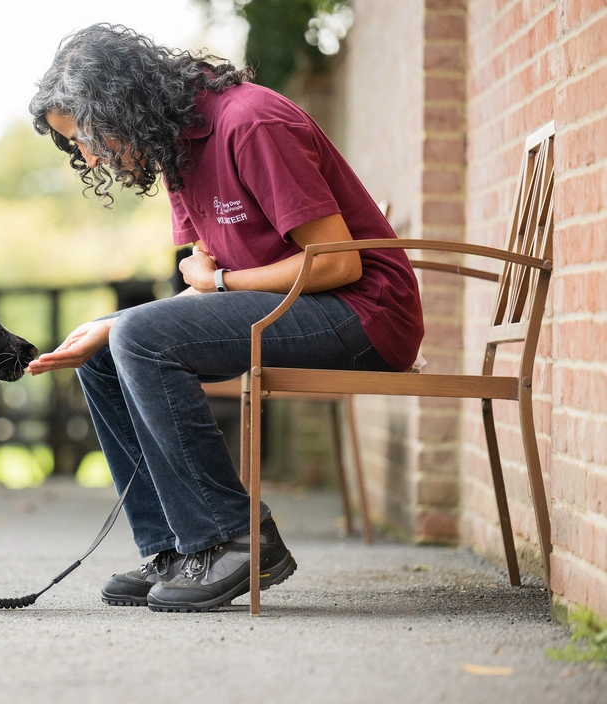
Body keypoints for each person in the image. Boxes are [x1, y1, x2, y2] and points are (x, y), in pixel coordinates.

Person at [25, 24, 424, 612]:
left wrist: (220, 283)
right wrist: (113, 325)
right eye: (74, 145)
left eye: (84, 134)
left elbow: (338, 264)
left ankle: (234, 538)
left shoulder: (250, 123)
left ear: (120, 103)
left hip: (364, 312)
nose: (87, 154)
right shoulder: (177, 152)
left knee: (138, 335)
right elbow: (206, 290)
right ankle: (175, 548)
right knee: (109, 353)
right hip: (289, 308)